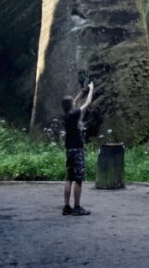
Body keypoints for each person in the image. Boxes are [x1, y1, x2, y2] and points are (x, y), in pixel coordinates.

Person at [61, 81, 94, 216]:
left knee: (69, 178)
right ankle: (77, 207)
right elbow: (88, 103)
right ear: (71, 106)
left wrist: (81, 91)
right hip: (77, 149)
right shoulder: (74, 114)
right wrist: (91, 89)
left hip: (69, 149)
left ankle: (66, 207)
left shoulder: (65, 115)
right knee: (78, 179)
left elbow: (72, 102)